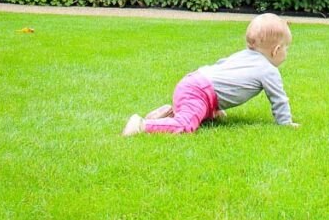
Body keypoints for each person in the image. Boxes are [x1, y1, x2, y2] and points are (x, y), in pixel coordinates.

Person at [122, 13, 299, 136]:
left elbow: (222, 69)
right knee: (186, 127)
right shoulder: (269, 70)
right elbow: (279, 99)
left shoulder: (243, 56)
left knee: (200, 117)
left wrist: (216, 108)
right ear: (276, 50)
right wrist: (285, 123)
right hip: (200, 92)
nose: (286, 53)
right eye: (286, 49)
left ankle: (169, 114)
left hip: (194, 82)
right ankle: (141, 125)